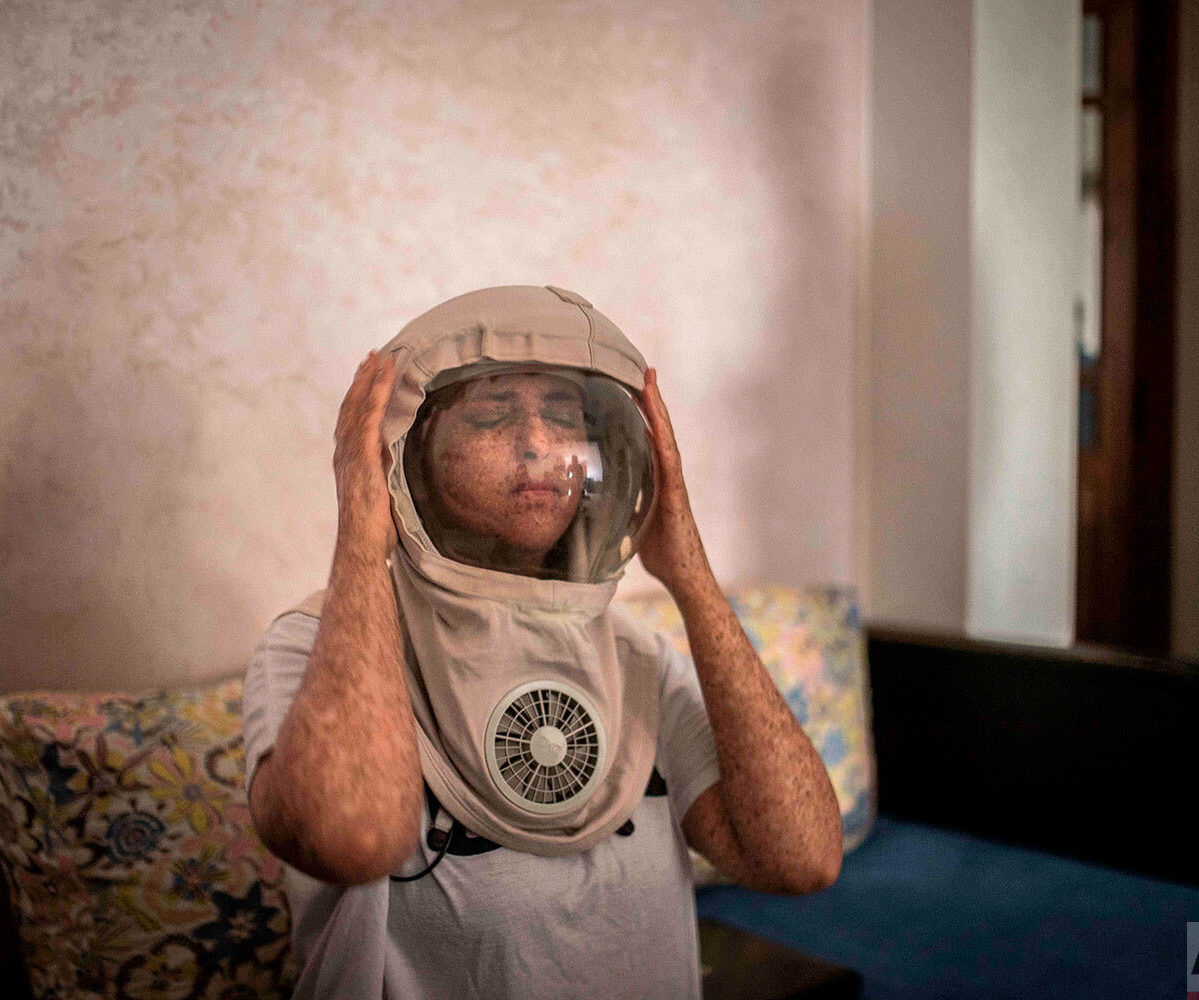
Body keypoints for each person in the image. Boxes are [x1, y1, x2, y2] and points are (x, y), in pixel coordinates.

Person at [242, 286, 843, 999]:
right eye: (492, 415)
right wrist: (361, 534)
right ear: (407, 456)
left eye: (564, 417)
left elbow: (799, 859)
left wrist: (690, 574)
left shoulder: (635, 656)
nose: (538, 445)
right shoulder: (312, 648)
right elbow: (353, 837)